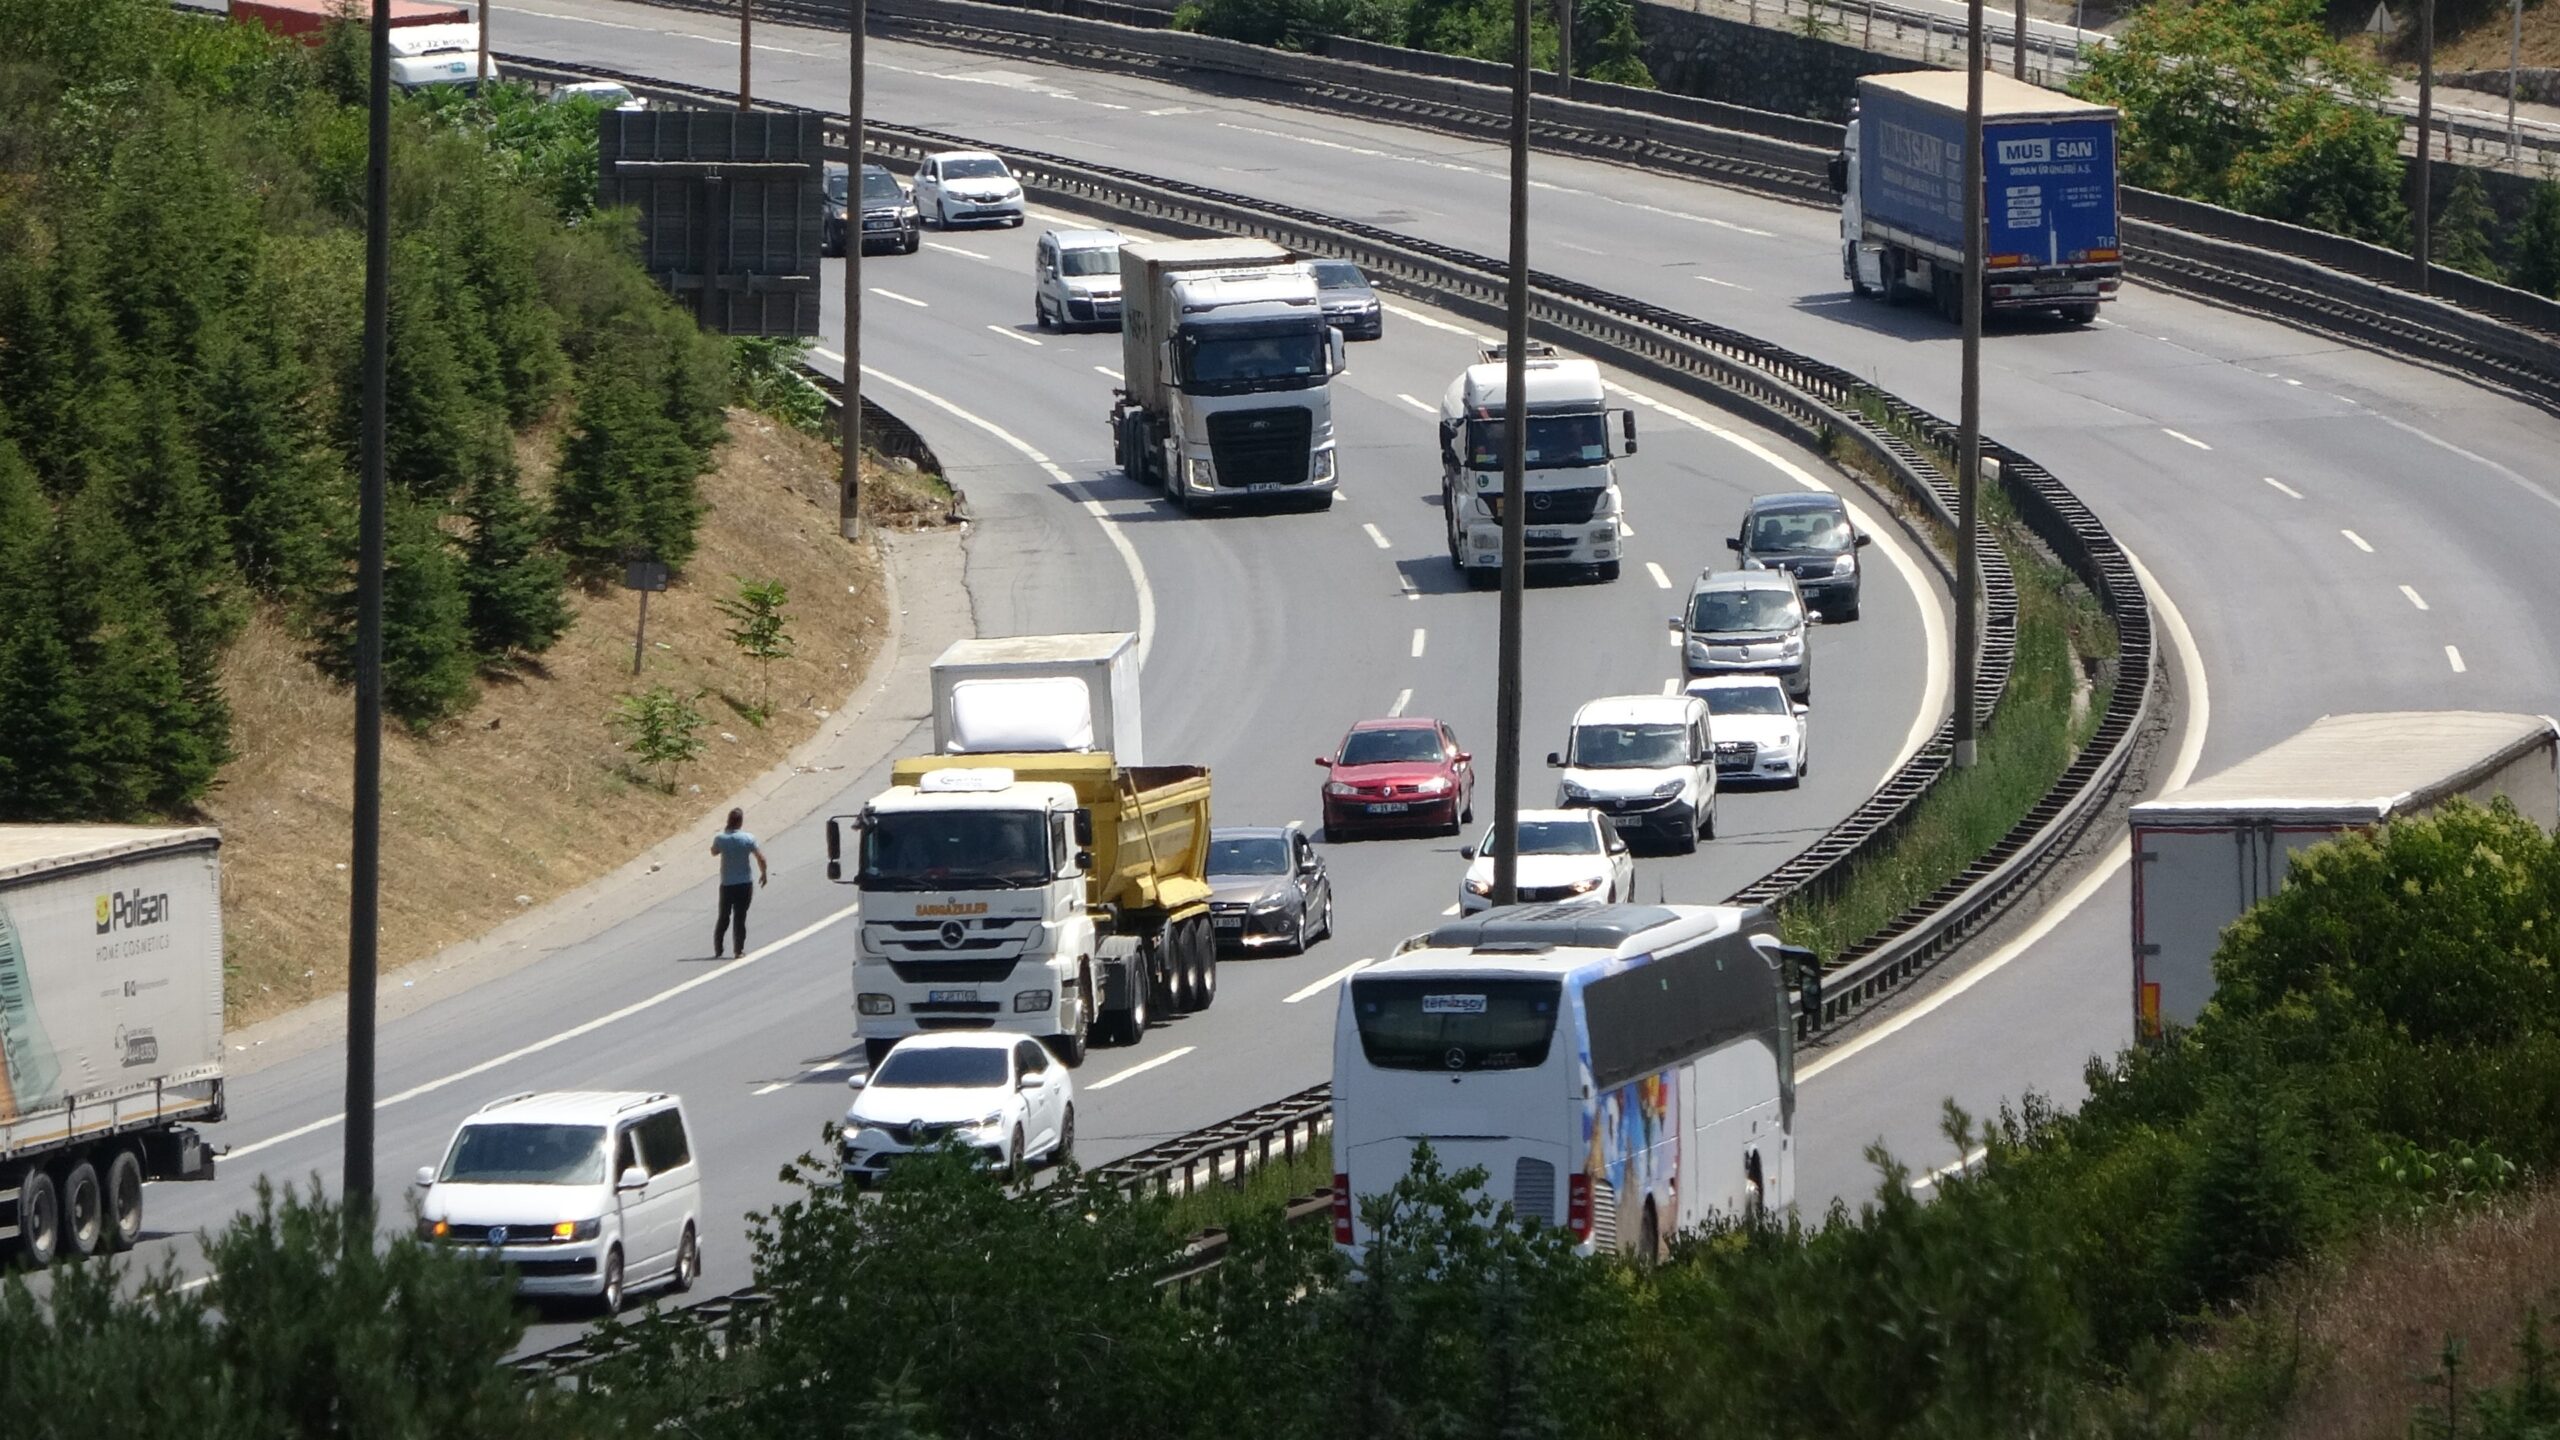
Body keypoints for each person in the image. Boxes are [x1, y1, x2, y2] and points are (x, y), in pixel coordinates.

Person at [709, 808, 767, 958]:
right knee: (740, 917)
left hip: (727, 884)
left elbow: (714, 852)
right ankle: (738, 950)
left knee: (723, 916)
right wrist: (764, 874)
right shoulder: (748, 838)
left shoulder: (721, 838)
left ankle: (718, 948)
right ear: (741, 822)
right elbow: (761, 858)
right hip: (744, 883)